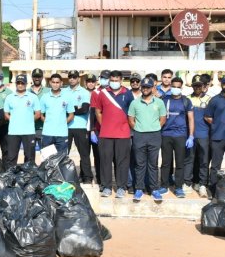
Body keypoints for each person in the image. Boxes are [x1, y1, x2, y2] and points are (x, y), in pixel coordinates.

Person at [92, 70, 134, 198]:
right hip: (105, 134)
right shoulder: (103, 93)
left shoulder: (127, 93)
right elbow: (98, 111)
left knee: (122, 162)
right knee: (105, 161)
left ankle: (121, 187)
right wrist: (104, 125)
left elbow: (132, 112)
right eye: (112, 80)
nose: (114, 82)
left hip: (123, 134)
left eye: (117, 80)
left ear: (121, 80)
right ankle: (106, 187)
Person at [128, 77, 167, 201]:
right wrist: (139, 129)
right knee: (139, 164)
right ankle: (139, 189)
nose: (145, 89)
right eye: (143, 87)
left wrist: (154, 128)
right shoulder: (135, 103)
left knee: (153, 164)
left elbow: (163, 118)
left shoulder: (159, 102)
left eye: (148, 87)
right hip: (139, 136)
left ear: (152, 87)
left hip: (154, 135)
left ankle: (154, 189)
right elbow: (131, 119)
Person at [160, 86, 194, 198]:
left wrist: (191, 136)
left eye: (178, 87)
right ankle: (164, 186)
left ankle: (178, 187)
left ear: (181, 87)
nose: (175, 88)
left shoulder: (186, 101)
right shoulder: (164, 100)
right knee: (166, 163)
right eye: (173, 86)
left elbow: (191, 119)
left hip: (180, 135)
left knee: (180, 163)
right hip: (166, 134)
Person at [3, 75, 40, 170]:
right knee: (11, 158)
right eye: (18, 83)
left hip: (29, 132)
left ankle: (29, 176)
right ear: (16, 84)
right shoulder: (9, 97)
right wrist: (14, 121)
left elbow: (37, 114)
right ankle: (11, 176)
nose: (20, 85)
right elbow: (6, 114)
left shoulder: (33, 97)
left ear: (26, 84)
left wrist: (28, 121)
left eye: (22, 83)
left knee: (29, 157)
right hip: (13, 132)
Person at [185, 79, 212, 197]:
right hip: (190, 135)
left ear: (203, 86)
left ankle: (202, 184)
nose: (197, 88)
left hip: (204, 134)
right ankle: (187, 183)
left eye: (199, 86)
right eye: (195, 86)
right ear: (192, 86)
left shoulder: (209, 99)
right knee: (189, 159)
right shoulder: (187, 98)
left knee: (204, 161)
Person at [66, 71, 94, 184]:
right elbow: (62, 109)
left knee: (84, 154)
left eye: (74, 77)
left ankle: (87, 177)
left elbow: (84, 109)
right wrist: (76, 108)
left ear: (78, 79)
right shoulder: (64, 91)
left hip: (81, 127)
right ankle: (63, 176)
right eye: (70, 77)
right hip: (66, 126)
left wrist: (70, 110)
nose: (72, 79)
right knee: (64, 154)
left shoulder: (84, 92)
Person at [38, 74, 74, 154]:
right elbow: (41, 115)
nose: (55, 84)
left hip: (62, 134)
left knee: (62, 159)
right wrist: (48, 123)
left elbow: (71, 115)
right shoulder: (44, 97)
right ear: (50, 83)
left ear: (61, 83)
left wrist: (62, 123)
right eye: (53, 82)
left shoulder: (67, 97)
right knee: (47, 159)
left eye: (57, 82)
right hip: (47, 133)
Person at [0, 71, 13, 159]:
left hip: (5, 125)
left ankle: (6, 166)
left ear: (2, 79)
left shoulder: (9, 92)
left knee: (6, 149)